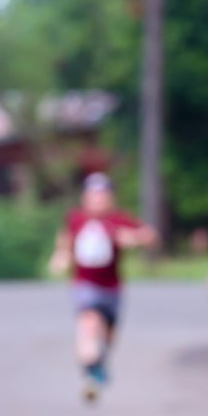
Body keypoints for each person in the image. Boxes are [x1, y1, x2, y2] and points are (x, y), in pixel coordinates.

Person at [49, 172, 158, 402]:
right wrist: (61, 256)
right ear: (85, 198)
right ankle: (90, 370)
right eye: (93, 195)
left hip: (112, 287)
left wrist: (133, 238)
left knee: (108, 335)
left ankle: (98, 363)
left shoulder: (118, 220)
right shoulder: (76, 219)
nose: (98, 200)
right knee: (88, 322)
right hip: (84, 284)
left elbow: (150, 236)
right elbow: (66, 238)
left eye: (102, 195)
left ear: (110, 198)